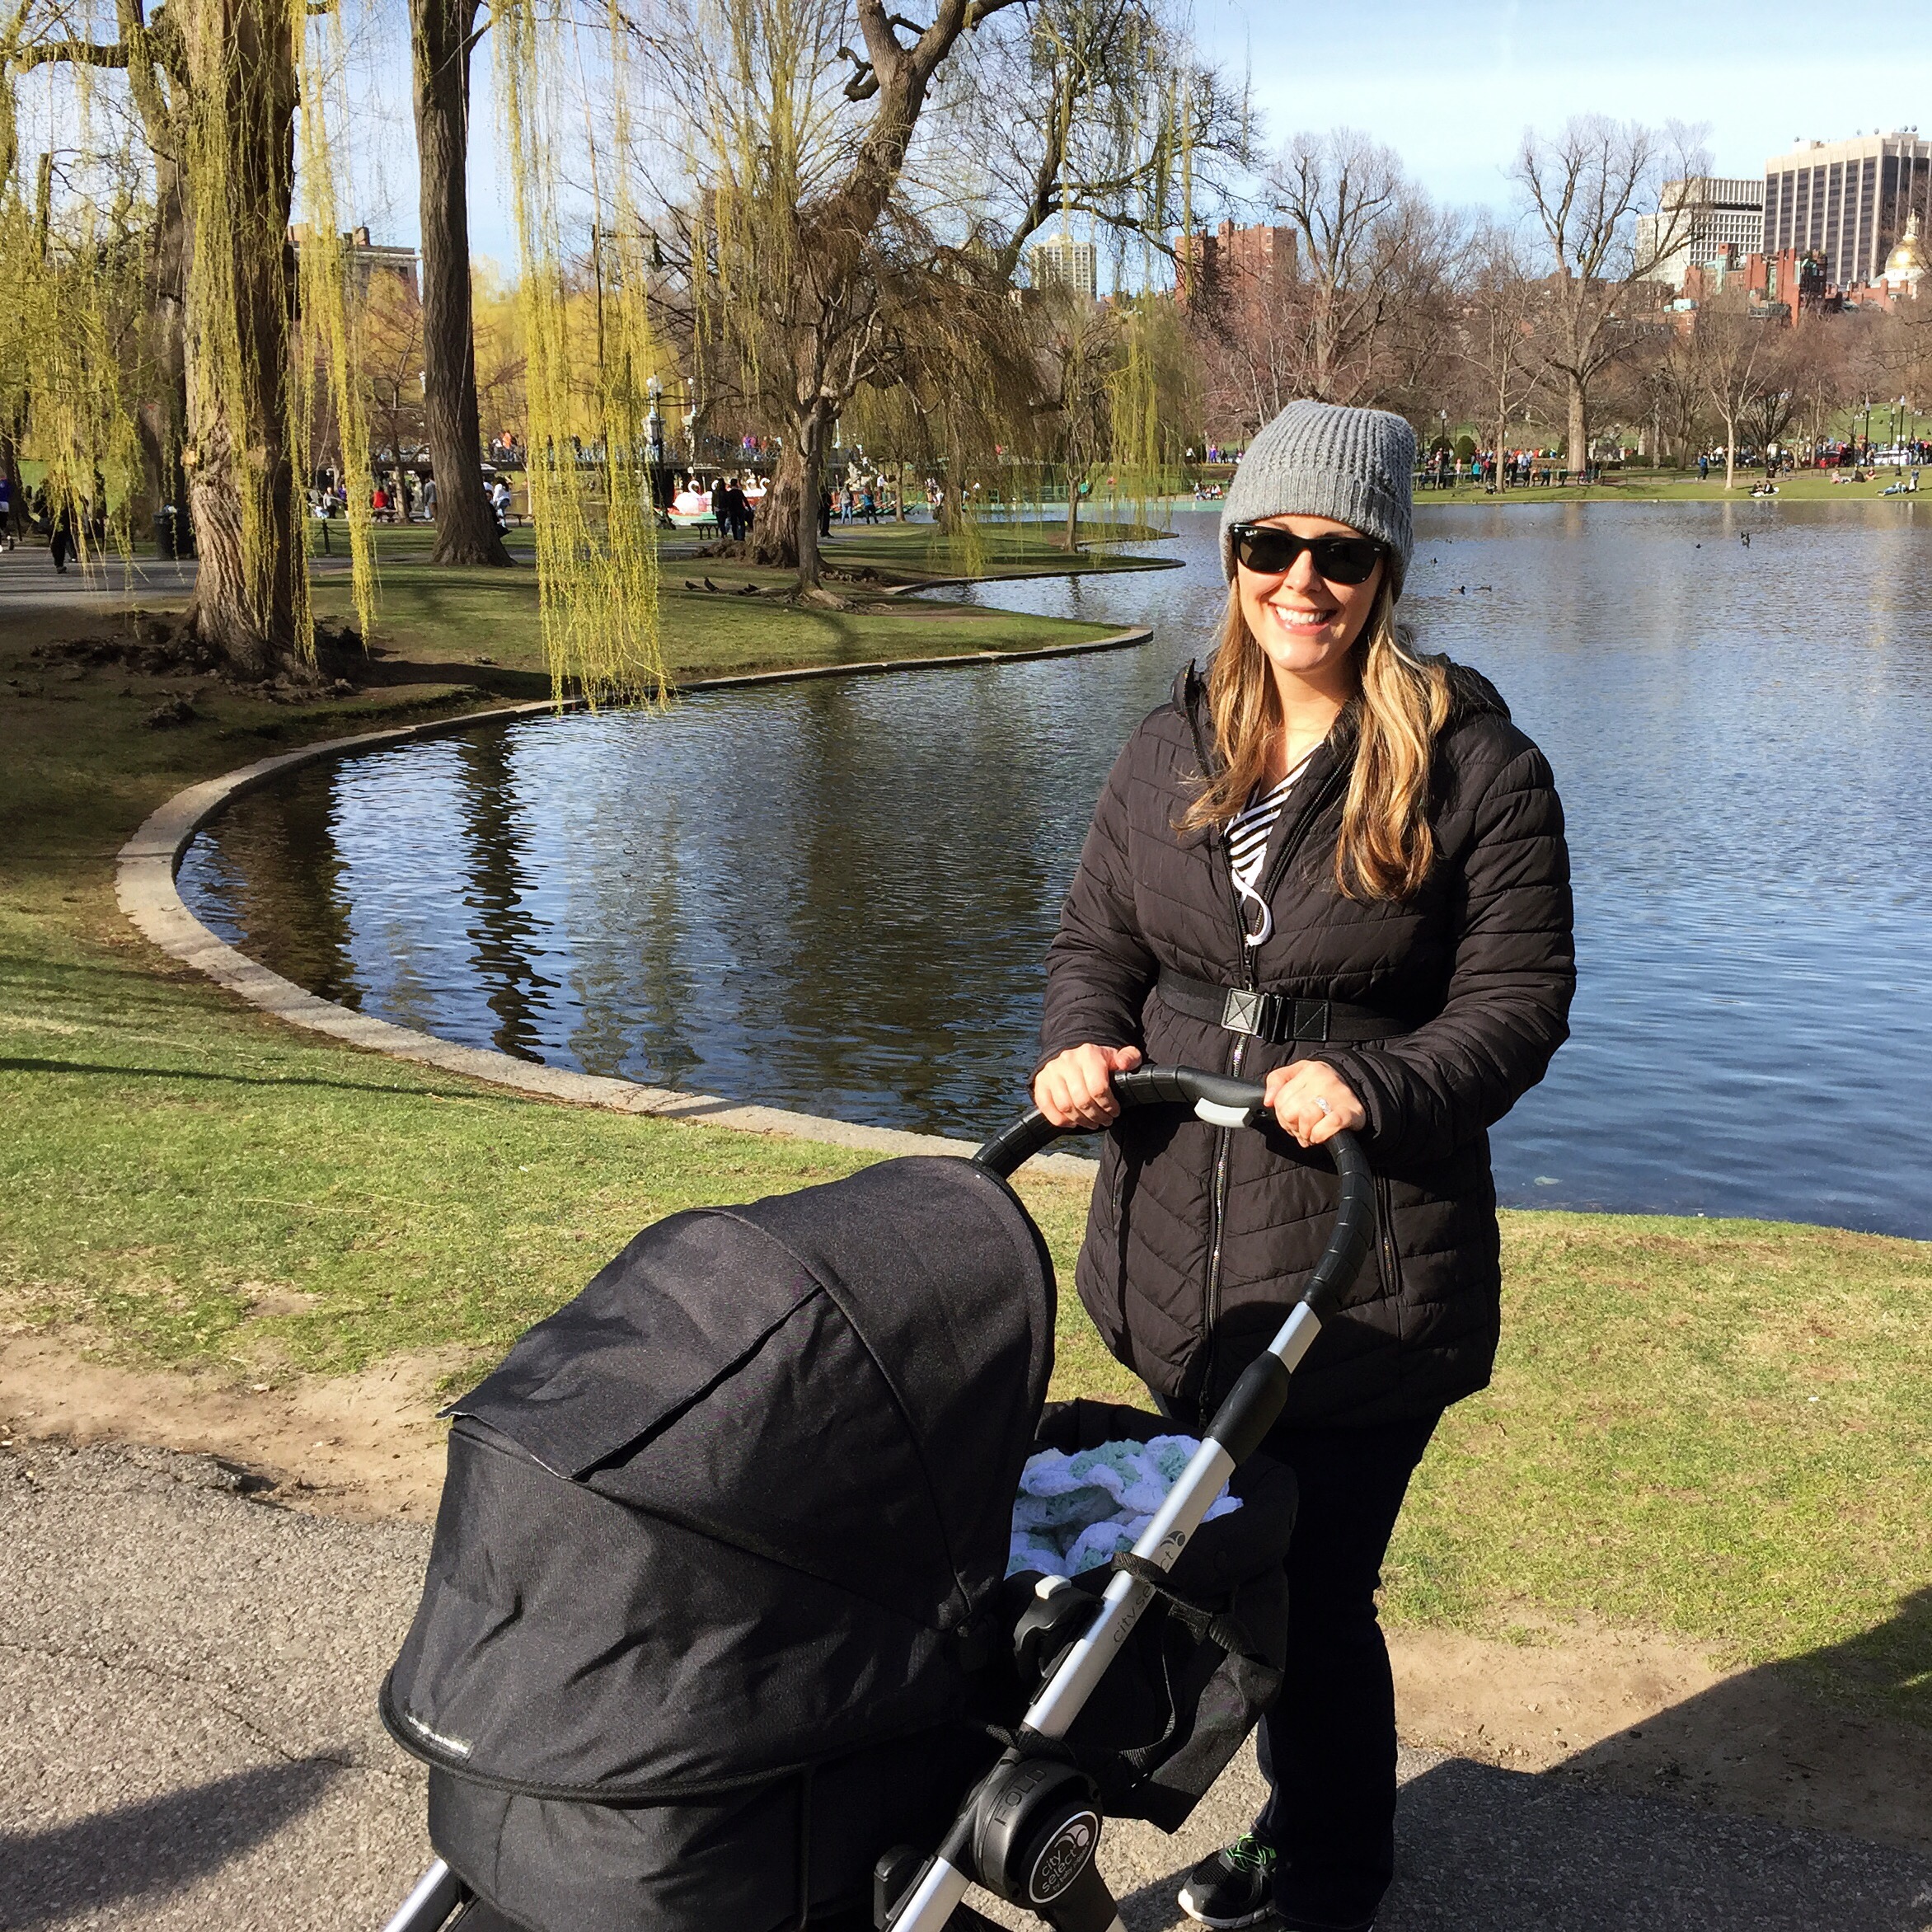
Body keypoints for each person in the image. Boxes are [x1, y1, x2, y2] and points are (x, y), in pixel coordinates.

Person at [1032, 399, 1573, 1932]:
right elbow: (1097, 944)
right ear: (1234, 557)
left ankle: (1332, 1869)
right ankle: (1277, 1814)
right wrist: (1078, 1046)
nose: (1302, 582)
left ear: (1386, 568)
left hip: (1366, 1260)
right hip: (1180, 1248)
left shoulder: (1477, 769)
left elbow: (1518, 1005)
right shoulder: (1171, 745)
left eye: (1340, 553)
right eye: (1272, 546)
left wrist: (1376, 1082)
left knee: (1317, 1590)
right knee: (1216, 1570)